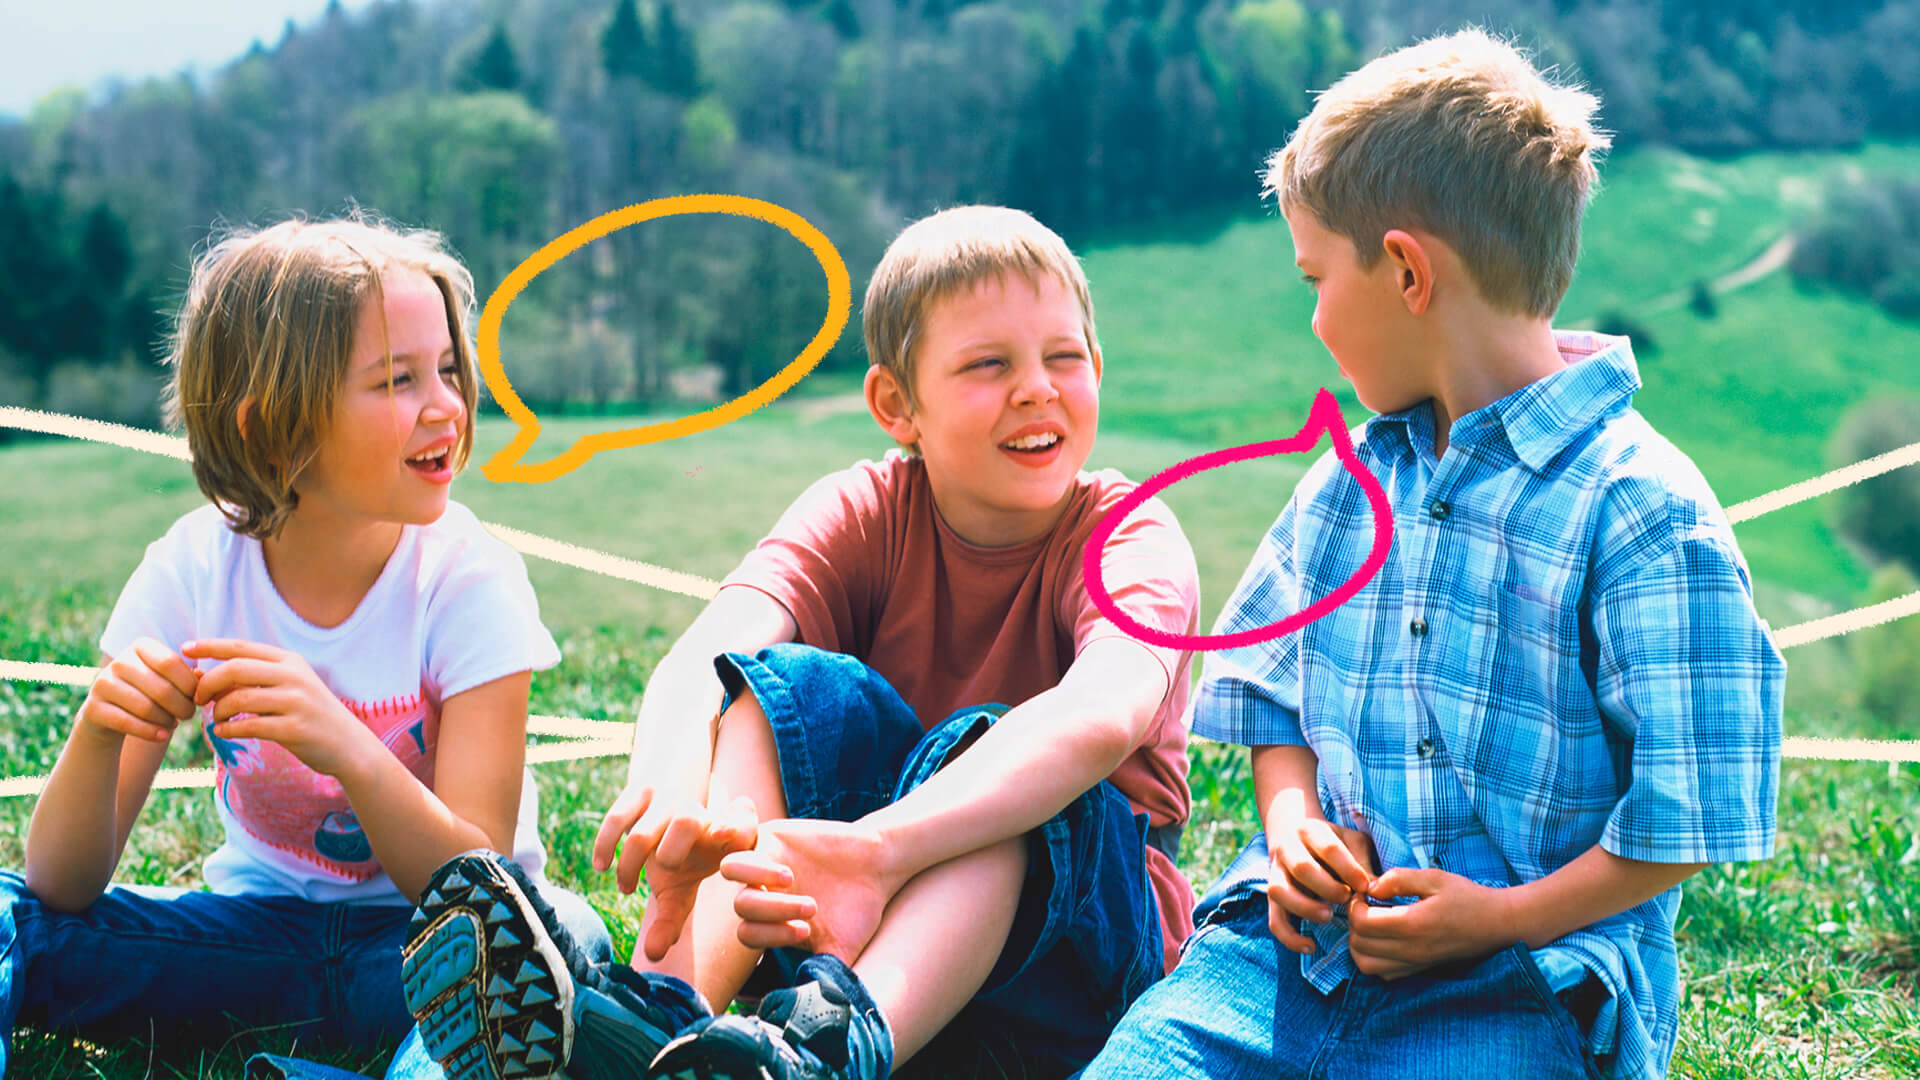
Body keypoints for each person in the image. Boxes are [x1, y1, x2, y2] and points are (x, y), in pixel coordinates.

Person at [1080, 28, 1784, 1080]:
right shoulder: (1349, 484)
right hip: (1285, 965)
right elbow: (1275, 700)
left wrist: (1501, 918)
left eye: (1317, 278)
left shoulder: (1640, 510)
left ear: (1407, 271)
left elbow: (1694, 807)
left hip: (1524, 981)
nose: (1315, 319)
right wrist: (1295, 826)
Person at [401, 205, 1203, 1080]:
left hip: (1065, 967)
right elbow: (705, 656)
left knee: (1002, 761)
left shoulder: (1127, 534)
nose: (1038, 388)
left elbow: (1102, 713)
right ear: (898, 406)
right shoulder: (866, 511)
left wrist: (879, 849)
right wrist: (674, 785)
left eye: (1066, 358)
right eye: (987, 365)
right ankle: (663, 1015)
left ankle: (829, 1051)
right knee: (776, 687)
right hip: (836, 918)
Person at [0, 217, 610, 1078]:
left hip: (429, 951)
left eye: (446, 370)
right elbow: (62, 888)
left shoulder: (470, 581)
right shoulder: (189, 575)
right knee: (13, 921)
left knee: (553, 942)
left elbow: (482, 880)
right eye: (397, 380)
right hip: (254, 946)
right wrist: (98, 735)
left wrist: (352, 750)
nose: (446, 405)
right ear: (272, 429)